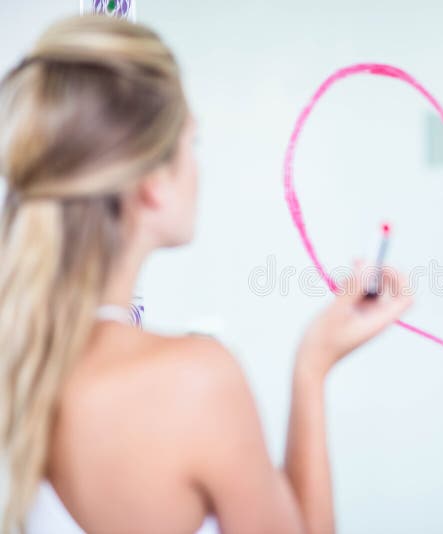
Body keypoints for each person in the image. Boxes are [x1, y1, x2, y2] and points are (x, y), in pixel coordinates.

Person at [0, 15, 412, 534]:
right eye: (190, 144)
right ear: (151, 184)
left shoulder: (20, 362)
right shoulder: (195, 380)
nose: (198, 165)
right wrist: (314, 365)